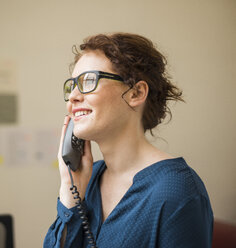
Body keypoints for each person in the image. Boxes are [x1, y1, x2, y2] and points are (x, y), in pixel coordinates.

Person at [44, 33, 213, 248]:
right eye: (72, 85)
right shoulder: (87, 179)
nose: (73, 97)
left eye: (88, 81)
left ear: (136, 93)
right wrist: (70, 191)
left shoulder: (177, 191)